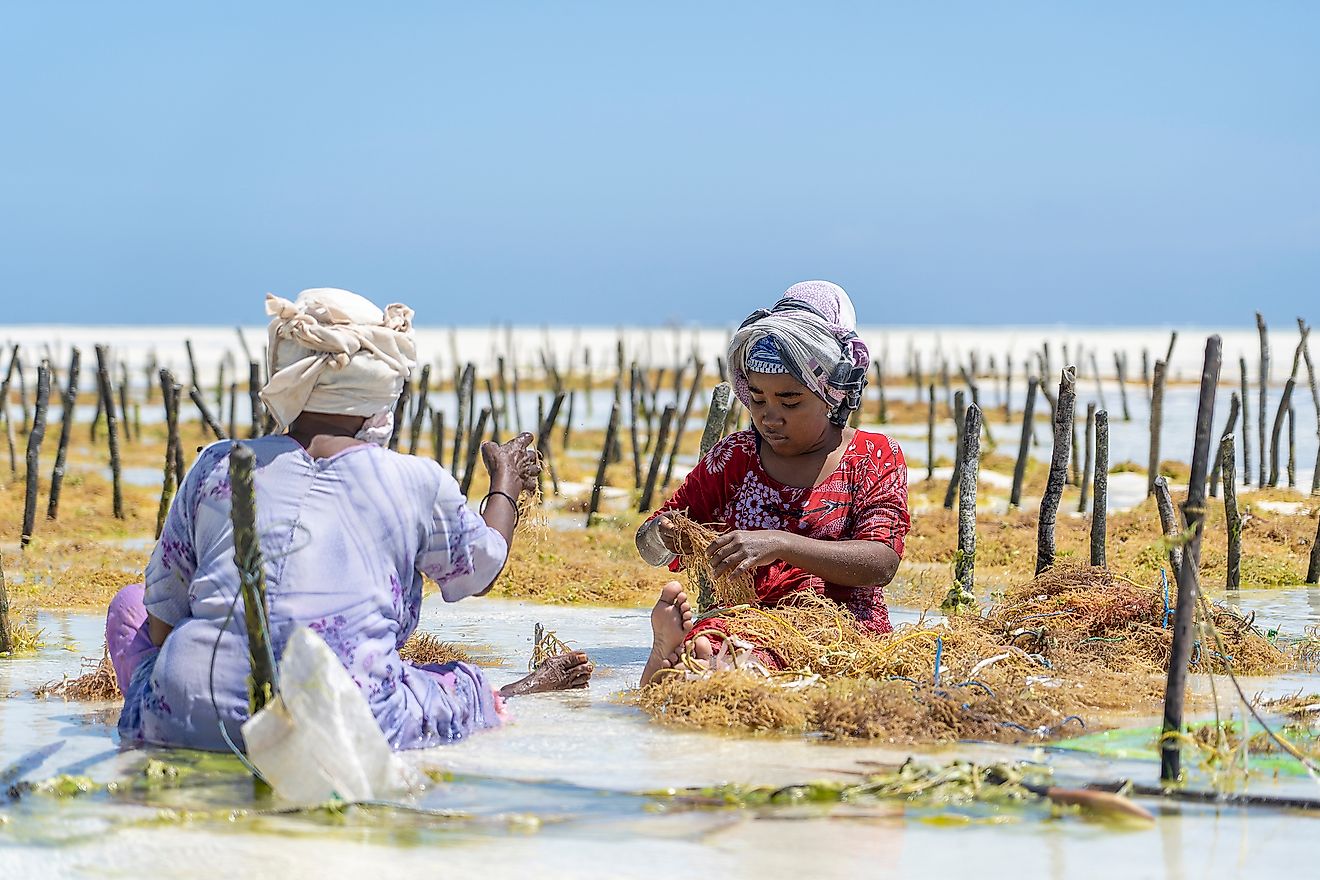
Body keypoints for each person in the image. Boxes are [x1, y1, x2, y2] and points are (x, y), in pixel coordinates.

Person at [108, 288, 591, 752]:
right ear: (380, 394)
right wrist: (503, 482)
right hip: (354, 721)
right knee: (462, 684)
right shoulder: (414, 481)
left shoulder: (215, 465)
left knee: (131, 604)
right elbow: (481, 569)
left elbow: (161, 621)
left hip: (183, 718)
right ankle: (505, 696)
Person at [637, 281, 909, 684]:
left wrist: (778, 543)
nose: (770, 416)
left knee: (746, 665)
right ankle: (676, 657)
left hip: (839, 634)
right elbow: (648, 543)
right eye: (759, 398)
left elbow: (881, 562)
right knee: (718, 653)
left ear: (832, 394)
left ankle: (702, 662)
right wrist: (666, 534)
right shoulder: (737, 456)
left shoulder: (872, 455)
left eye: (790, 400)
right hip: (747, 621)